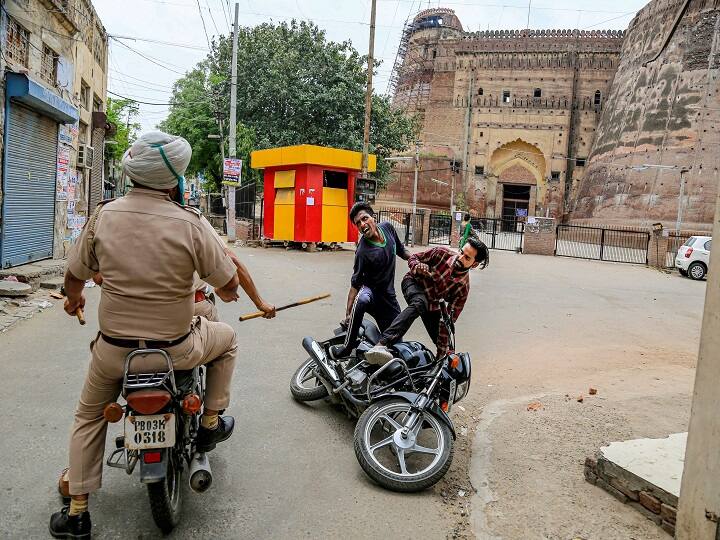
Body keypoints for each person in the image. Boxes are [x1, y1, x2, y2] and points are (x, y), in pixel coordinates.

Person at [50, 131, 275, 539]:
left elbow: (74, 277)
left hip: (115, 353)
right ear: (174, 181)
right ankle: (209, 419)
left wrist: (74, 300)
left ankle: (78, 514)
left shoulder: (103, 215)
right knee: (226, 339)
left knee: (88, 417)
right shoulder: (191, 223)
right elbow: (226, 288)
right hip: (177, 350)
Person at [365, 237, 489, 365]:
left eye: (467, 258)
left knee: (445, 345)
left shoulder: (463, 288)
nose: (460, 257)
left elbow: (448, 320)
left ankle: (438, 366)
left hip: (432, 303)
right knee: (420, 303)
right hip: (413, 282)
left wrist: (443, 353)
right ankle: (381, 345)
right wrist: (417, 266)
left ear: (474, 264)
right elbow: (413, 258)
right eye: (461, 252)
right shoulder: (441, 253)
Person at [328, 202, 410, 359]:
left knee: (397, 345)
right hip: (370, 293)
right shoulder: (363, 251)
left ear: (374, 217)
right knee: (363, 298)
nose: (362, 224)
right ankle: (348, 346)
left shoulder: (388, 228)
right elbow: (355, 284)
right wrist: (348, 314)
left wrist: (418, 260)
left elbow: (402, 251)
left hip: (388, 299)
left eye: (365, 218)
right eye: (358, 223)